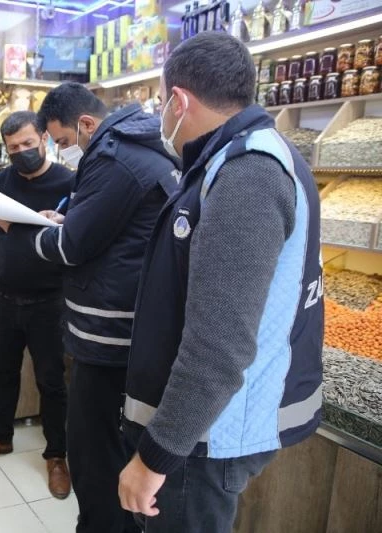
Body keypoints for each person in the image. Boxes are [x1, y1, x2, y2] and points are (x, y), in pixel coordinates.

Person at [118, 32, 324, 532]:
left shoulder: (248, 171)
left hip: (205, 439)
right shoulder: (231, 159)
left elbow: (219, 343)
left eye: (162, 104)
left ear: (179, 101)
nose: (161, 117)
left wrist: (156, 456)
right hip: (203, 432)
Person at [6, 83, 178, 532]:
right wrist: (72, 220)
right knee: (106, 447)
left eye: (62, 141)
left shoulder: (114, 158)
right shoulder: (142, 148)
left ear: (84, 124)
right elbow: (111, 229)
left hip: (110, 335)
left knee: (92, 452)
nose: (64, 151)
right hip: (128, 324)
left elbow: (71, 247)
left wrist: (33, 232)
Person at [0, 111, 74, 499]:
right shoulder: (0, 181)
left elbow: (88, 231)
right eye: (13, 149)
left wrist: (61, 221)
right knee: (2, 370)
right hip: (4, 297)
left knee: (51, 382)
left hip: (50, 300)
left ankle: (57, 455)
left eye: (27, 144)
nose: (22, 153)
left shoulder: (71, 182)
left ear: (44, 137)